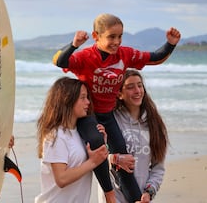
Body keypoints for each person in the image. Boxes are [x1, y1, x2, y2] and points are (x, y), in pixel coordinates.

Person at [53, 13, 180, 202]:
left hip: (108, 115)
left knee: (125, 159)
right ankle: (110, 196)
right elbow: (59, 61)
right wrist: (74, 45)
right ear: (96, 36)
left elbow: (154, 58)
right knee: (97, 143)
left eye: (120, 36)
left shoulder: (125, 54)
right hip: (89, 115)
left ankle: (136, 199)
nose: (117, 42)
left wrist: (170, 44)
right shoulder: (86, 57)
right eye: (111, 37)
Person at [35, 77, 110, 203]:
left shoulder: (79, 132)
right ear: (67, 99)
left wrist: (103, 144)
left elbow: (88, 162)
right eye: (83, 98)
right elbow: (62, 179)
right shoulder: (56, 135)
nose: (88, 102)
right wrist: (92, 161)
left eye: (87, 98)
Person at [98, 69, 168, 203]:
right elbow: (94, 158)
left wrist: (149, 192)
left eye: (140, 85)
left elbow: (158, 168)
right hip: (112, 198)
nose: (137, 91)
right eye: (130, 87)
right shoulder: (110, 121)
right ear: (119, 94)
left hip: (140, 198)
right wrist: (114, 158)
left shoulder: (154, 124)